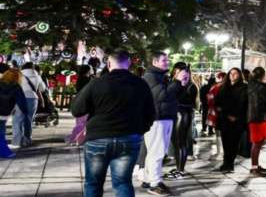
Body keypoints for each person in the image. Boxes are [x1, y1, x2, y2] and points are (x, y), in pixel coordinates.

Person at [70, 50, 156, 197]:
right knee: (123, 182)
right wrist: (140, 130)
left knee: (93, 183)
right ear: (128, 64)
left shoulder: (96, 83)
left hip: (98, 138)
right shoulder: (140, 84)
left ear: (108, 63)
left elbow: (77, 110)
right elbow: (150, 114)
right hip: (129, 137)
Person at [139, 52, 188, 196]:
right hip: (157, 118)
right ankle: (155, 183)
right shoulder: (151, 77)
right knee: (157, 151)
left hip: (165, 117)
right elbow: (162, 96)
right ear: (155, 62)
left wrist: (182, 84)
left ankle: (149, 179)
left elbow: (174, 96)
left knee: (155, 150)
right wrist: (177, 82)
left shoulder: (161, 76)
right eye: (164, 60)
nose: (167, 62)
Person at [166, 63, 197, 180]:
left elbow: (188, 102)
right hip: (175, 114)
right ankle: (178, 168)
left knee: (180, 142)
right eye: (176, 72)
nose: (177, 75)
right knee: (175, 143)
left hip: (182, 114)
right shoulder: (174, 84)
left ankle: (181, 170)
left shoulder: (190, 86)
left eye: (180, 73)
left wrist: (182, 85)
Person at [215, 67, 248, 173]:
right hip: (224, 117)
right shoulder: (224, 87)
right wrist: (218, 106)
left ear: (240, 76)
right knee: (225, 140)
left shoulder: (244, 87)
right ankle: (226, 163)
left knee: (233, 142)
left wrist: (236, 115)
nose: (232, 75)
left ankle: (230, 164)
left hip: (236, 119)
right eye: (231, 73)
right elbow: (218, 99)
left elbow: (243, 103)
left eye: (235, 73)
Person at [11, 62, 45, 148]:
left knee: (17, 120)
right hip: (33, 98)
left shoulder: (19, 74)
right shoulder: (37, 76)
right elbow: (42, 88)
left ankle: (17, 142)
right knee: (29, 119)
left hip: (20, 97)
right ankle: (27, 140)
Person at [0, 68, 27, 158]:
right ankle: (5, 153)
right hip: (3, 113)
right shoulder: (16, 87)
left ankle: (5, 152)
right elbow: (21, 101)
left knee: (1, 132)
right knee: (1, 133)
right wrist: (25, 111)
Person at [64, 64, 93, 146]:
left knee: (80, 122)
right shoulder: (88, 80)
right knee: (84, 123)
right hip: (86, 102)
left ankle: (80, 140)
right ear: (88, 71)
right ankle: (71, 136)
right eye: (90, 69)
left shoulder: (79, 79)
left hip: (79, 101)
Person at [207, 73, 224, 160]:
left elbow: (210, 98)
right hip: (225, 112)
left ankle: (219, 152)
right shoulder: (228, 87)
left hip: (215, 111)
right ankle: (221, 152)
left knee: (218, 132)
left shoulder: (215, 87)